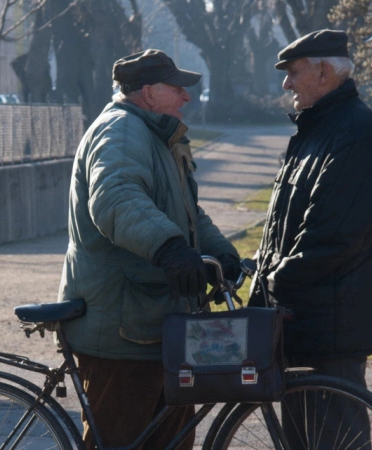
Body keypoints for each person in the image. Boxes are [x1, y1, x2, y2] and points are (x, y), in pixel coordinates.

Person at [57, 49, 240, 450]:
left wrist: (222, 254)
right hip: (123, 329)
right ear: (148, 92)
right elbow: (116, 201)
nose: (186, 97)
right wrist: (170, 249)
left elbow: (190, 214)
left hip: (157, 324)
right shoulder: (121, 131)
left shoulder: (158, 136)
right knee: (121, 441)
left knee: (168, 441)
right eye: (177, 88)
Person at [249, 29, 372, 447]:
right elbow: (285, 225)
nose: (286, 83)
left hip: (332, 325)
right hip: (305, 321)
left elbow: (332, 235)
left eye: (294, 72)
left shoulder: (355, 131)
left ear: (325, 72)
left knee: (332, 440)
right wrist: (260, 270)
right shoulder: (316, 130)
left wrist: (273, 279)